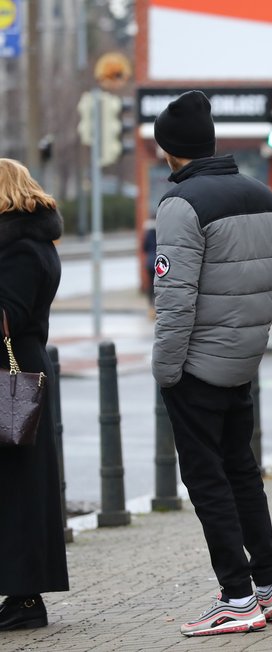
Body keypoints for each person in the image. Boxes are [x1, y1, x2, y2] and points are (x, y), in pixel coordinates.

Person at [151, 90, 272, 635]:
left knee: (207, 481)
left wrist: (168, 371)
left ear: (169, 149)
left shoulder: (180, 206)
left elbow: (174, 299)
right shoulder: (264, 194)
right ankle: (268, 585)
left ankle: (236, 597)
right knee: (242, 474)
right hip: (241, 363)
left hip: (196, 368)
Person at [0, 158, 68, 631]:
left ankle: (26, 599)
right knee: (16, 483)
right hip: (17, 372)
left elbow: (10, 315)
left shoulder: (22, 248)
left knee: (20, 486)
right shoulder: (27, 243)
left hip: (13, 376)